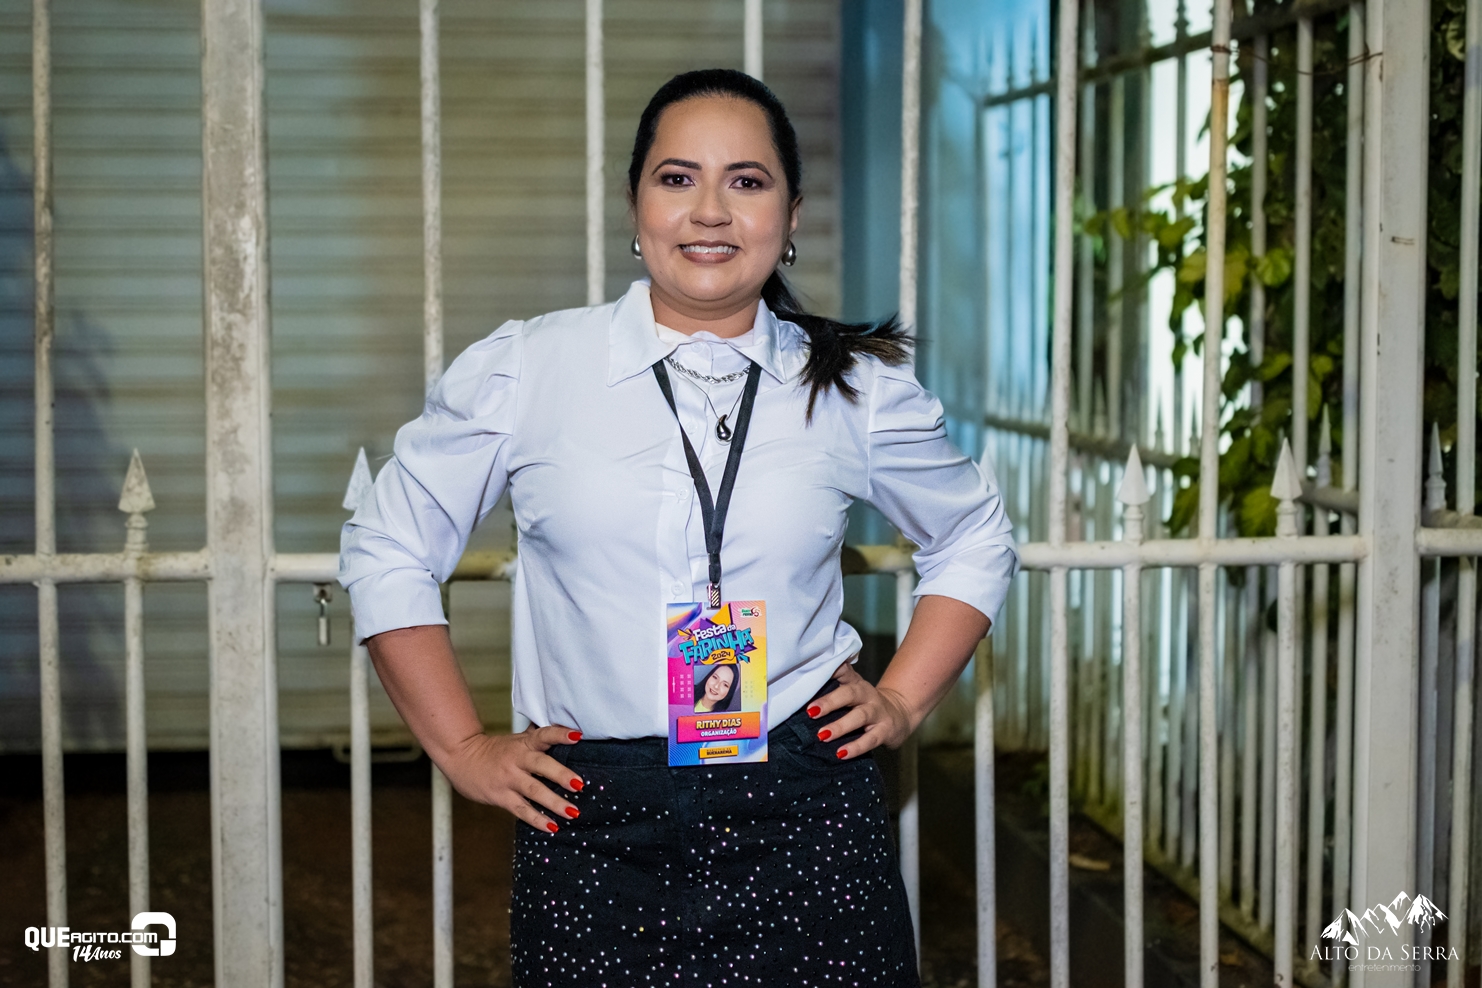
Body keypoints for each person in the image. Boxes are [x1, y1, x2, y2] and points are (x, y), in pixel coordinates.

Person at [340, 68, 1017, 987]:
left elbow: (973, 535)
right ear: (636, 204)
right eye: (677, 178)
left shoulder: (852, 391)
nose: (709, 211)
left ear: (790, 215)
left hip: (807, 811)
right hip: (593, 818)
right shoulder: (532, 369)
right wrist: (463, 749)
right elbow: (388, 544)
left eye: (747, 181)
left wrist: (901, 700)